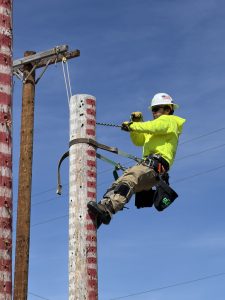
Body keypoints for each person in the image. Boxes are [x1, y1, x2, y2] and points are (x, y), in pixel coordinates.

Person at [87, 93, 186, 227]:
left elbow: (153, 126)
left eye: (157, 109)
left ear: (168, 109)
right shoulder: (155, 128)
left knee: (130, 178)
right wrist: (137, 124)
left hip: (155, 166)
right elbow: (138, 140)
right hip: (148, 167)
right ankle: (103, 210)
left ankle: (108, 209)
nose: (154, 113)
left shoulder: (170, 122)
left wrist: (133, 125)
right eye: (153, 110)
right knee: (120, 183)